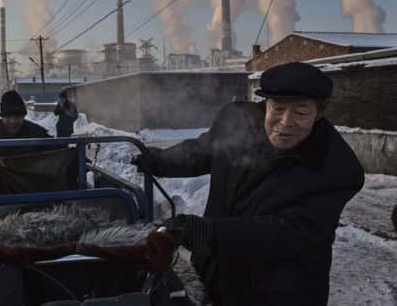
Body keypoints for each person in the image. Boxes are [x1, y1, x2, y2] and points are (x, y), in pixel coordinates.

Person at [132, 62, 364, 306]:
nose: (285, 122)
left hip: (276, 292)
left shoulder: (335, 169)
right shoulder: (239, 122)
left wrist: (210, 233)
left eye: (301, 112)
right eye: (278, 108)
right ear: (265, 104)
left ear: (320, 112)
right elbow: (201, 152)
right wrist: (155, 161)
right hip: (214, 275)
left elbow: (289, 232)